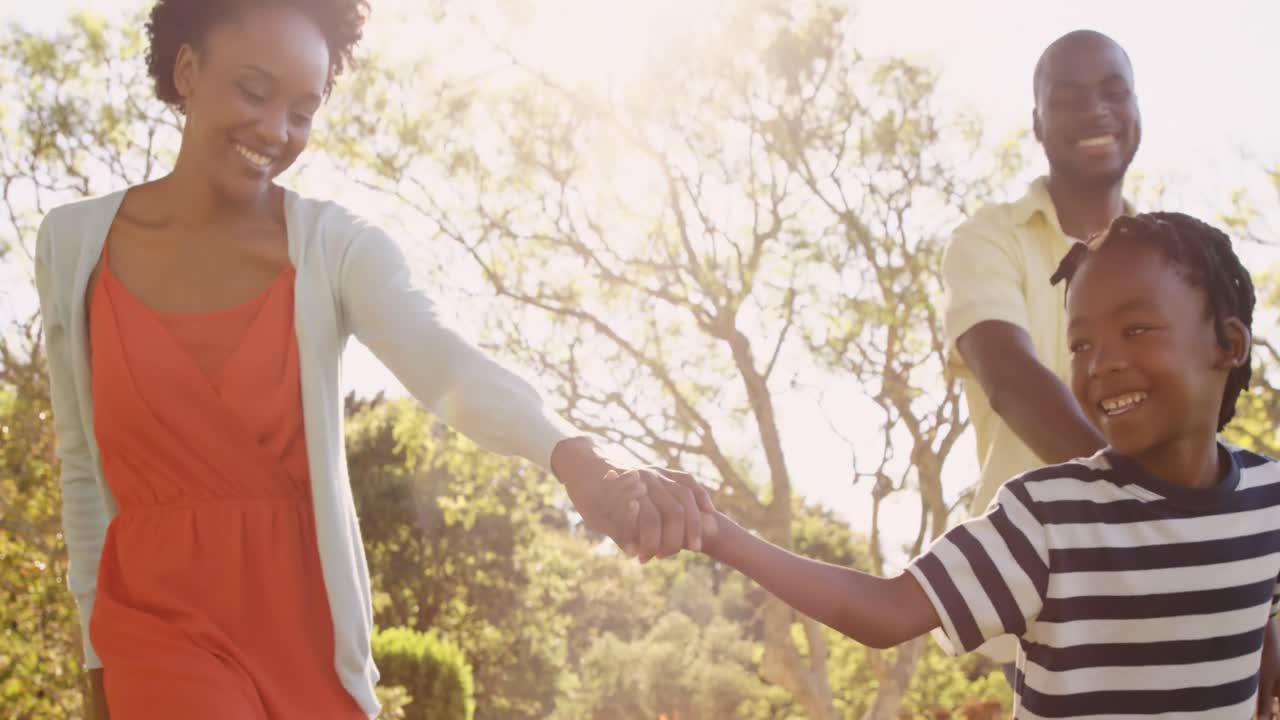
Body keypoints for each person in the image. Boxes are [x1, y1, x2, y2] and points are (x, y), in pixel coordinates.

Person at [34, 1, 710, 718]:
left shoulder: (336, 247)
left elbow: (443, 359)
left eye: (303, 109)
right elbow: (82, 465)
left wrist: (580, 460)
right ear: (188, 69)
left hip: (308, 635)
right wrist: (96, 655)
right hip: (155, 625)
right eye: (255, 92)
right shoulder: (75, 244)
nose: (276, 131)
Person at [681, 213, 1280, 717]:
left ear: (1229, 345)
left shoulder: (1269, 500)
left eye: (1137, 328)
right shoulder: (1049, 517)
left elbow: (1259, 645)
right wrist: (719, 534)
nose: (1101, 363)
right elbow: (887, 613)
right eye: (1080, 345)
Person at [942, 29, 1138, 519]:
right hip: (1025, 574)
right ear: (1038, 123)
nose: (1095, 111)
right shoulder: (987, 238)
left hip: (1155, 572)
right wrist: (1139, 504)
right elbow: (1012, 382)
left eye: (1113, 94)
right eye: (1068, 99)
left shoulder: (1177, 260)